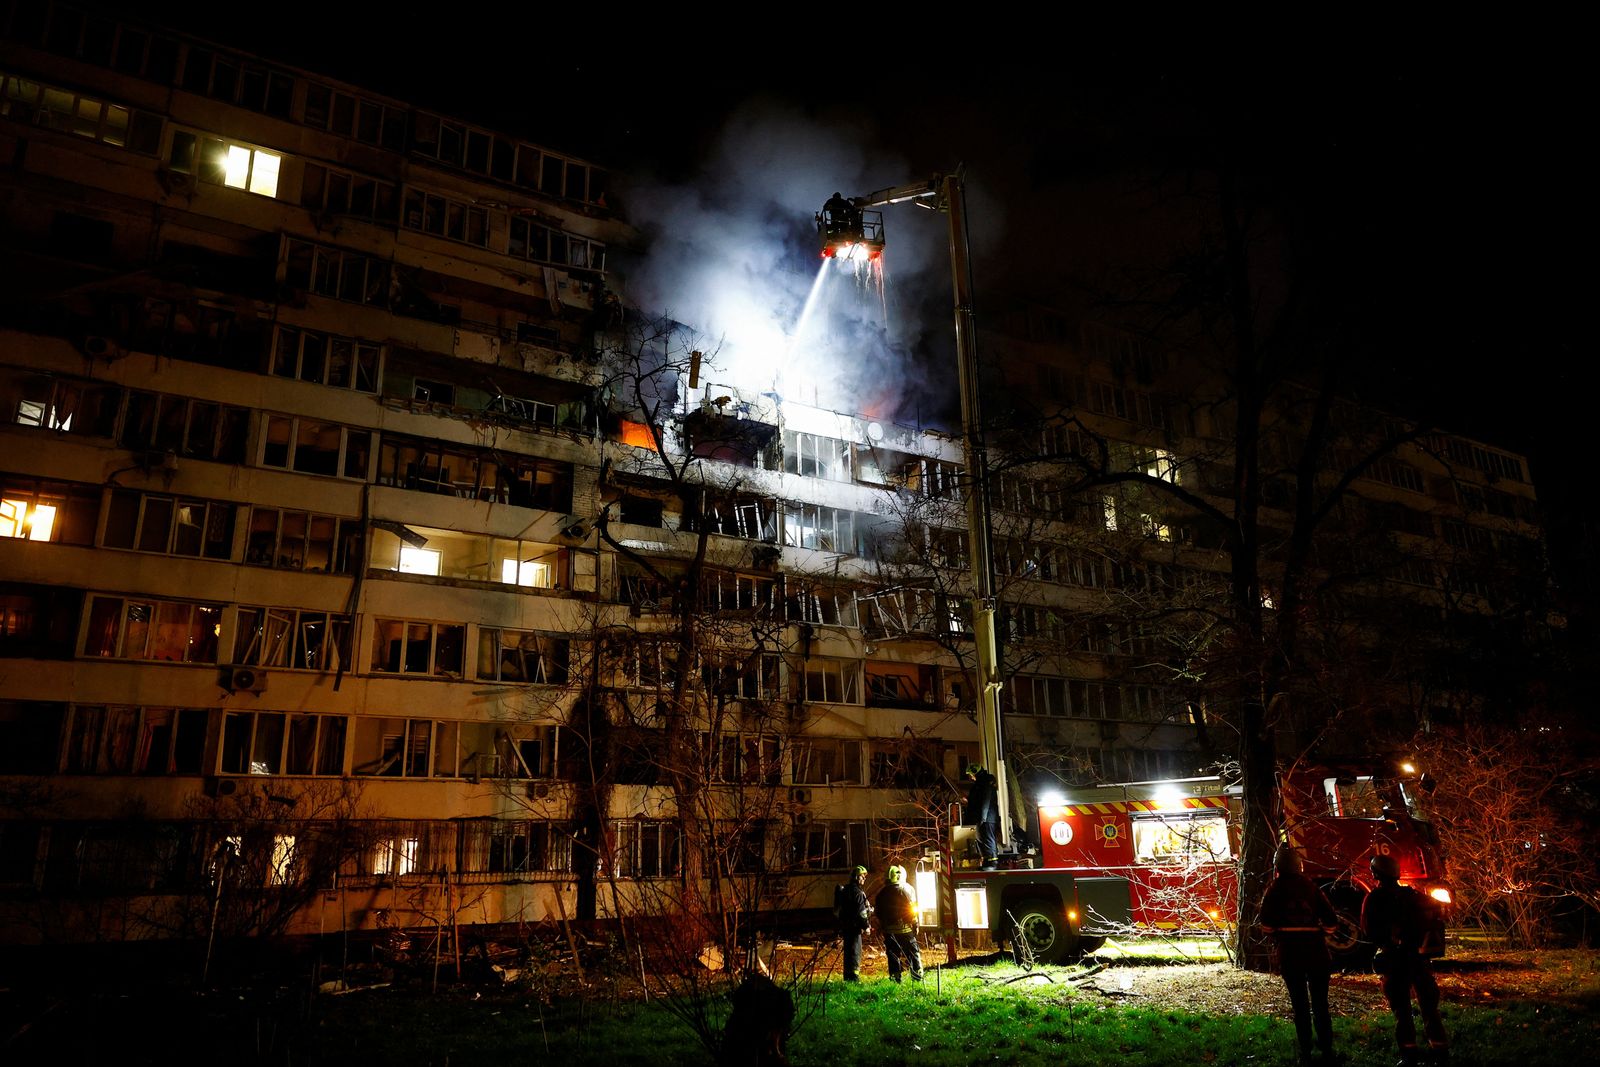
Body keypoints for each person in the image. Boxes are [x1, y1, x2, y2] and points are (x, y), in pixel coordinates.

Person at [1361, 853, 1449, 1066]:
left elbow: (1368, 931)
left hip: (1394, 962)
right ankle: (1440, 1052)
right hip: (1419, 961)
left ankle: (1409, 1056)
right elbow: (1437, 914)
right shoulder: (1414, 896)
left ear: (1376, 874)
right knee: (1429, 1008)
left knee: (1402, 1011)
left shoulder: (1374, 899)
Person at [1259, 846, 1338, 1062]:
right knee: (1321, 1005)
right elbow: (1332, 922)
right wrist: (1319, 932)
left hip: (1290, 956)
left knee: (1300, 1006)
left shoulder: (1273, 891)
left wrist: (1281, 935)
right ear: (1299, 865)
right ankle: (1327, 1051)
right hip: (1317, 954)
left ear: (1277, 867)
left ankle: (1305, 1052)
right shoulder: (1312, 888)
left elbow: (1266, 926)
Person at [874, 864, 924, 982]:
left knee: (893, 955)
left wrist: (882, 926)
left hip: (889, 931)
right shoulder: (903, 892)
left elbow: (878, 913)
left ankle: (895, 978)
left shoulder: (881, 894)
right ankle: (917, 977)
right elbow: (911, 909)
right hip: (905, 930)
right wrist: (915, 923)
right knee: (913, 953)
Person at [833, 864, 870, 982]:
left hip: (846, 927)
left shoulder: (846, 890)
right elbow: (861, 912)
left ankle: (847, 976)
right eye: (862, 876)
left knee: (848, 952)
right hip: (855, 928)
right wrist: (866, 926)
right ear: (856, 877)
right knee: (855, 952)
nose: (864, 878)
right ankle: (854, 977)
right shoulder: (858, 892)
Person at [962, 764, 1000, 869]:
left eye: (971, 775)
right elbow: (978, 799)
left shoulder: (985, 783)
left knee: (988, 838)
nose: (971, 777)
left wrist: (983, 817)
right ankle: (986, 860)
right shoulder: (981, 784)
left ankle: (993, 861)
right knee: (981, 838)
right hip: (982, 817)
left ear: (975, 772)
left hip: (987, 817)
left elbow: (985, 801)